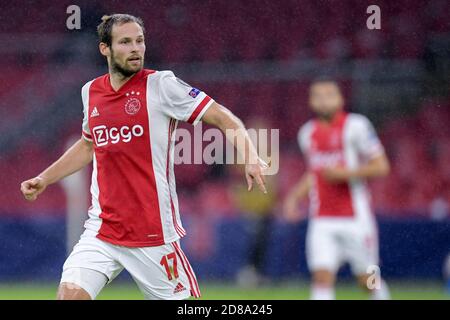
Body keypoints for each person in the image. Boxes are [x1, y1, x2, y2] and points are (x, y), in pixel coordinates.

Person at [20, 14, 267, 300]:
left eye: (140, 41)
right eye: (125, 42)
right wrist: (43, 178)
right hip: (102, 230)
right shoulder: (91, 92)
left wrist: (250, 156)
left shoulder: (162, 86)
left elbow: (223, 117)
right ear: (105, 49)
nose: (136, 48)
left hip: (152, 236)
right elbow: (89, 145)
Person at [284, 77, 391, 300]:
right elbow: (315, 172)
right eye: (318, 96)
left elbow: (381, 166)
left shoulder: (357, 126)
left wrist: (346, 174)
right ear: (311, 102)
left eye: (329, 95)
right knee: (322, 275)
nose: (323, 101)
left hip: (355, 218)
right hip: (322, 218)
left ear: (341, 99)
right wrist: (294, 197)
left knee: (368, 278)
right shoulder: (307, 133)